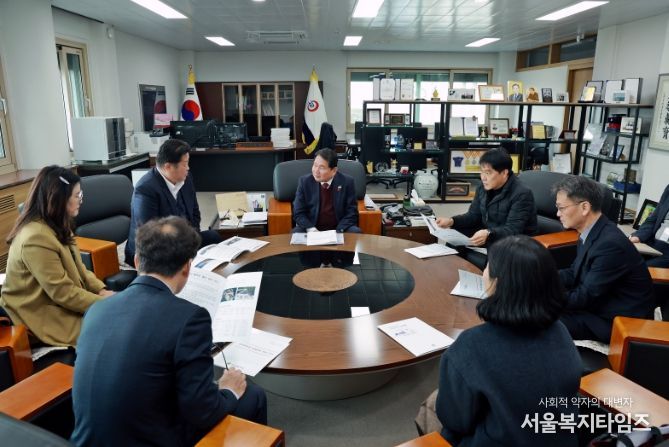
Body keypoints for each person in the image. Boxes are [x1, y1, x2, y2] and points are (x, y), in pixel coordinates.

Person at [71, 216, 267, 446]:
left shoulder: (96, 309)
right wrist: (228, 390)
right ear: (187, 268)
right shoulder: (190, 318)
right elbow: (203, 412)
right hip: (154, 440)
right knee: (252, 396)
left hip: (86, 442)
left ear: (136, 261)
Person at [416, 235, 581, 446]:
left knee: (431, 407)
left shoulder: (471, 346)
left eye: (487, 267)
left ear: (498, 283)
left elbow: (456, 422)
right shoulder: (560, 332)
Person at [0, 166, 113, 350]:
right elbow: (63, 293)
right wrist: (107, 304)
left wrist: (101, 290)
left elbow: (80, 268)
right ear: (59, 199)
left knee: (118, 318)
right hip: (37, 313)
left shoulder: (58, 223)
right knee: (110, 329)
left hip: (57, 302)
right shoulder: (35, 237)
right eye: (77, 195)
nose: (81, 200)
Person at [553, 176, 654, 343]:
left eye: (561, 208)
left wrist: (543, 297)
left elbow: (586, 296)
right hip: (599, 305)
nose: (558, 213)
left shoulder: (610, 244)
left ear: (585, 207)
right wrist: (542, 278)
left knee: (540, 317)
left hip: (617, 322)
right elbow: (574, 272)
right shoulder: (592, 231)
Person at [125, 138, 221, 265]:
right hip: (155, 249)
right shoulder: (146, 189)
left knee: (214, 236)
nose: (188, 168)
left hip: (182, 241)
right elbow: (149, 235)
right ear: (168, 166)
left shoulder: (186, 178)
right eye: (185, 164)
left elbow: (195, 214)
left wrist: (192, 243)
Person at [435, 148, 537, 267]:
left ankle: (486, 278)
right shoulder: (483, 187)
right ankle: (454, 271)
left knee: (497, 247)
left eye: (488, 173)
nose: (483, 177)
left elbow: (513, 230)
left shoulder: (522, 193)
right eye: (481, 172)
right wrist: (452, 221)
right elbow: (473, 216)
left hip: (518, 241)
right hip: (492, 233)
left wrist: (488, 233)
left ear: (504, 173)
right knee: (455, 237)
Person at [292, 147, 360, 233]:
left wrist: (339, 231)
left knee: (355, 232)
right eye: (315, 165)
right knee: (296, 233)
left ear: (334, 171)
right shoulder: (305, 182)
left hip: (339, 228)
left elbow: (352, 212)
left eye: (322, 168)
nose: (316, 171)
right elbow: (298, 212)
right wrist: (311, 229)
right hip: (312, 227)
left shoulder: (347, 182)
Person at [629, 184, 669, 267]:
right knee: (618, 253)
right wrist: (638, 236)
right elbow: (653, 219)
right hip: (654, 242)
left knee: (639, 268)